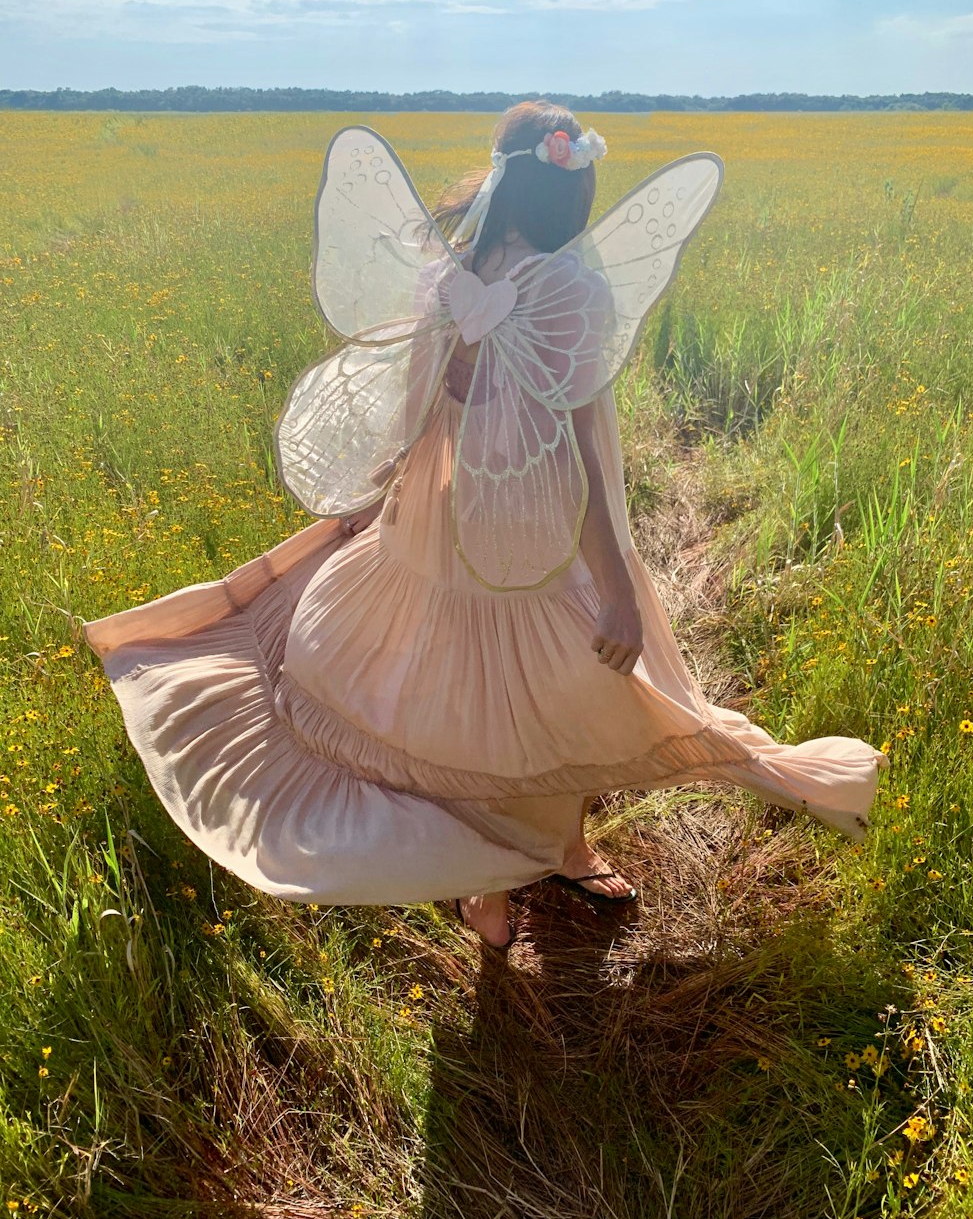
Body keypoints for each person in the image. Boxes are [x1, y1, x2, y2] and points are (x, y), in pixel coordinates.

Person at [84, 101, 887, 951]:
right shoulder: (571, 288)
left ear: (501, 182)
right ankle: (533, 858)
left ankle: (498, 882)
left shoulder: (447, 272)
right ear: (570, 194)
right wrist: (616, 586)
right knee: (557, 697)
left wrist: (383, 490)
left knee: (447, 698)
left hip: (436, 518)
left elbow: (416, 402)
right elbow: (580, 449)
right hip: (533, 527)